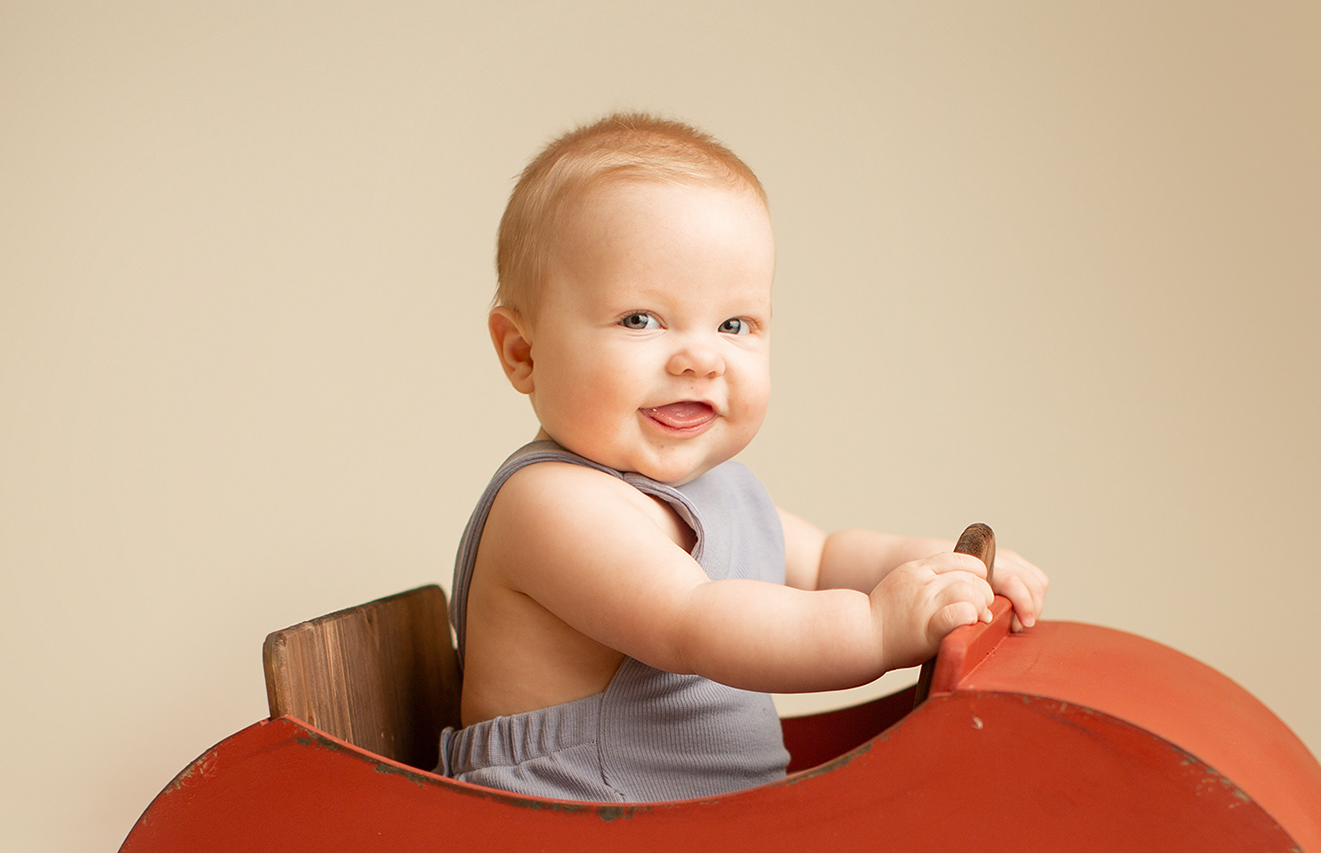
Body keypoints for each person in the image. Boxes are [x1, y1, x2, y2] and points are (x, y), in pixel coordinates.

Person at [437, 113, 1048, 801]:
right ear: (522, 352)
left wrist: (944, 568)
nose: (702, 358)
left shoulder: (720, 489)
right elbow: (695, 622)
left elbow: (826, 560)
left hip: (688, 831)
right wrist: (877, 628)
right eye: (640, 319)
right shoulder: (551, 503)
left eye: (734, 324)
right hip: (570, 833)